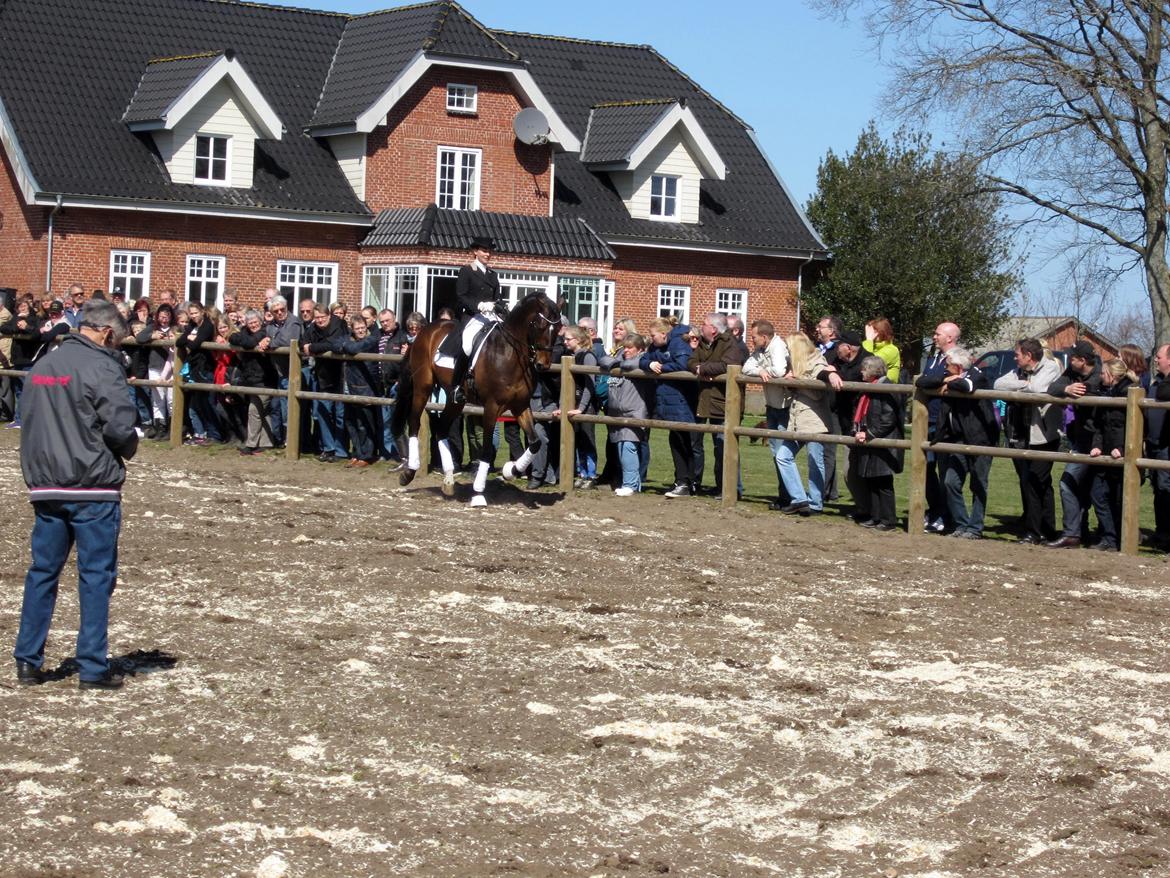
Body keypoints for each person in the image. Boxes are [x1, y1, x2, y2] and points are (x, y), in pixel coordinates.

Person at [13, 298, 137, 690]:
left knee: (43, 573)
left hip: (46, 484)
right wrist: (129, 446)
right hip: (92, 485)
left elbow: (27, 422)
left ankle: (28, 661)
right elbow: (119, 426)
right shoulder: (103, 366)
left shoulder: (43, 365)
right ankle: (92, 667)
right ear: (105, 333)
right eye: (117, 340)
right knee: (96, 577)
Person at [916, 347, 999, 539]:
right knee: (950, 482)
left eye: (947, 365)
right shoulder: (949, 375)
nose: (944, 367)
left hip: (981, 439)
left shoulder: (978, 375)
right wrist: (946, 380)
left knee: (978, 484)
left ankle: (975, 529)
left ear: (958, 366)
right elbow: (922, 381)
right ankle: (961, 524)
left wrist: (954, 383)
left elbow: (968, 387)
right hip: (957, 439)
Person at [993, 338, 1063, 543]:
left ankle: (1034, 531)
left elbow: (1039, 389)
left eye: (1017, 355)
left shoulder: (1050, 367)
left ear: (1029, 356)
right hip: (1022, 434)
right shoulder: (1019, 372)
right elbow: (998, 384)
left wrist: (1020, 388)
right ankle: (1046, 529)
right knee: (1035, 481)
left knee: (1035, 480)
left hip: (1044, 435)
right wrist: (1024, 384)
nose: (1015, 358)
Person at [775, 332, 841, 515]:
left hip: (814, 420)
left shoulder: (816, 360)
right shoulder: (796, 363)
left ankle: (816, 503)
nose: (788, 352)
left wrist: (831, 373)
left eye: (789, 348)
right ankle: (799, 498)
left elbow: (818, 389)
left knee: (815, 462)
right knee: (783, 456)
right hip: (797, 419)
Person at [1047, 340, 1103, 548]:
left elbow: (1089, 390)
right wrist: (1067, 388)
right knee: (1081, 487)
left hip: (1097, 440)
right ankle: (1079, 532)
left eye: (1073, 357)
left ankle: (1075, 533)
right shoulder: (1073, 373)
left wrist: (1075, 389)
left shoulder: (1099, 376)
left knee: (1069, 483)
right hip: (1081, 438)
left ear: (1083, 360)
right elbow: (1053, 388)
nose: (1069, 360)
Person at [436, 236, 503, 403]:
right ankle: (458, 385)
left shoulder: (493, 275)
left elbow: (497, 297)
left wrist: (497, 306)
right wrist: (479, 305)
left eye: (489, 251)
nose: (487, 254)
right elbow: (461, 296)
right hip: (472, 316)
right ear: (475, 252)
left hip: (491, 317)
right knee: (467, 346)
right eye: (484, 250)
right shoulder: (466, 271)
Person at [687, 312, 747, 498]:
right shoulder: (704, 343)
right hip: (707, 400)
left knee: (725, 446)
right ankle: (720, 485)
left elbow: (728, 365)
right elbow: (691, 361)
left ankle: (732, 489)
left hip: (724, 402)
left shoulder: (729, 344)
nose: (701, 326)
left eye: (703, 324)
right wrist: (699, 368)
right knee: (716, 446)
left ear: (713, 328)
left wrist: (703, 368)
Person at [641, 316, 699, 497]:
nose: (651, 339)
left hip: (681, 400)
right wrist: (650, 364)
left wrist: (661, 368)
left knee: (682, 441)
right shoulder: (655, 347)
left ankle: (685, 482)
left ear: (663, 334)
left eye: (653, 335)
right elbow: (643, 360)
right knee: (676, 439)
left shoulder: (679, 344)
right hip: (668, 399)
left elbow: (683, 365)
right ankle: (683, 481)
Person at [1087, 357, 1137, 551]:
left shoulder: (1129, 393)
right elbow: (1099, 424)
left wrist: (1123, 448)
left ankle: (1120, 539)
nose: (1100, 376)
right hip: (1105, 451)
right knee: (1098, 493)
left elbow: (1133, 427)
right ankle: (1109, 536)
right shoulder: (1103, 392)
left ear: (1112, 375)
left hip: (1121, 452)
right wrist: (1097, 445)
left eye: (1103, 373)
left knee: (1119, 497)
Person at [741, 319, 792, 509]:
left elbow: (779, 371)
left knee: (782, 453)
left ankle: (788, 497)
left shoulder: (777, 347)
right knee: (775, 451)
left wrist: (765, 370)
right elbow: (746, 367)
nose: (751, 341)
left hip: (784, 406)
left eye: (753, 337)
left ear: (764, 336)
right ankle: (784, 495)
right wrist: (760, 370)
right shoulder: (762, 350)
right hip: (772, 405)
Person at [850, 355, 904, 530]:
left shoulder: (886, 387)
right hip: (871, 439)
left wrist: (870, 434)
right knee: (871, 480)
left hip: (883, 442)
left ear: (873, 370)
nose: (861, 372)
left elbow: (889, 419)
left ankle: (888, 520)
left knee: (883, 482)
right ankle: (875, 516)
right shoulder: (870, 388)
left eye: (864, 369)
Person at [920, 321, 962, 533]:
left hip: (944, 422)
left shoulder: (956, 358)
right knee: (925, 469)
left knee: (945, 472)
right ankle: (936, 511)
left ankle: (947, 517)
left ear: (949, 338)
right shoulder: (934, 357)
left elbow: (930, 380)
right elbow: (925, 380)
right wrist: (937, 379)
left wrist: (936, 380)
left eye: (937, 334)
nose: (934, 337)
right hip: (927, 420)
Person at [606, 333, 654, 495]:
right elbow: (604, 361)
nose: (626, 350)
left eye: (630, 348)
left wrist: (620, 364)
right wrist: (620, 363)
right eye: (624, 347)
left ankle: (631, 485)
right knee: (620, 447)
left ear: (640, 349)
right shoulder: (621, 358)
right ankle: (630, 483)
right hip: (617, 413)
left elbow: (636, 364)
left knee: (628, 447)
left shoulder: (644, 361)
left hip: (635, 411)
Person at [302, 304, 350, 462]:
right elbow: (304, 342)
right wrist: (309, 346)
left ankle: (341, 451)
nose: (320, 320)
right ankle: (328, 448)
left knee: (340, 414)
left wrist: (314, 347)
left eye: (322, 317)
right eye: (317, 318)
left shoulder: (339, 324)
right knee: (322, 412)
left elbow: (335, 345)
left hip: (340, 375)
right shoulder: (313, 327)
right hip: (322, 375)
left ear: (329, 316)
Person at [228, 309, 278, 455]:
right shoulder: (245, 331)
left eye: (255, 322)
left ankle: (251, 444)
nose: (253, 325)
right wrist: (246, 341)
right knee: (263, 411)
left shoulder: (264, 332)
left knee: (254, 411)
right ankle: (266, 442)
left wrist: (248, 341)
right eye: (250, 323)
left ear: (260, 321)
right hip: (252, 378)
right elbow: (233, 338)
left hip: (264, 378)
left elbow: (248, 342)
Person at [175, 302, 221, 445]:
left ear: (202, 311)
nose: (194, 316)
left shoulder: (207, 326)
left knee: (207, 402)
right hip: (195, 369)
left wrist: (190, 341)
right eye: (191, 313)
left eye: (196, 313)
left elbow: (196, 344)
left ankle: (216, 434)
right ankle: (201, 433)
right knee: (196, 403)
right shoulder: (192, 326)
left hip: (205, 368)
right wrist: (189, 338)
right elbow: (179, 341)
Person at [1147, 344, 1170, 550]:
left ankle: (1166, 535)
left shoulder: (1164, 383)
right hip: (1154, 442)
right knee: (1158, 488)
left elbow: (1164, 394)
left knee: (1165, 487)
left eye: (1160, 357)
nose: (1156, 360)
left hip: (1166, 444)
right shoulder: (1158, 380)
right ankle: (1161, 531)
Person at [862, 316, 901, 382]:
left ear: (883, 332)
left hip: (884, 389)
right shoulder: (870, 346)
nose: (871, 334)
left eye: (874, 331)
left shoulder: (892, 350)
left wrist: (869, 340)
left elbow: (868, 363)